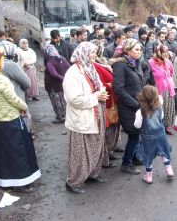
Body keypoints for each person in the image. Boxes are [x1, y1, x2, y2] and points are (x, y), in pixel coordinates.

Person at [0, 45, 40, 192]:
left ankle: (5, 180)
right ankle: (20, 182)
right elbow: (13, 98)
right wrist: (24, 107)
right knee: (17, 151)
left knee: (3, 151)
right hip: (10, 119)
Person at [63, 42, 108, 194]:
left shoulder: (90, 68)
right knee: (80, 152)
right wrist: (97, 96)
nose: (95, 55)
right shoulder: (73, 73)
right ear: (83, 54)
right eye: (92, 53)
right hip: (81, 118)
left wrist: (101, 92)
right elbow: (74, 99)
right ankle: (73, 182)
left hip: (95, 114)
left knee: (96, 145)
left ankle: (92, 174)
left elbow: (100, 85)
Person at [112, 39, 145, 175]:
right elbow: (118, 89)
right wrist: (135, 103)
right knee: (134, 135)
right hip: (128, 107)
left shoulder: (133, 63)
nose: (139, 52)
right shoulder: (121, 65)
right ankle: (126, 163)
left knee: (138, 134)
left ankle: (135, 157)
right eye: (137, 49)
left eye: (140, 49)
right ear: (128, 50)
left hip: (137, 105)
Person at [134, 85, 173, 184]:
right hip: (160, 134)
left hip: (148, 137)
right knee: (164, 152)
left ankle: (148, 176)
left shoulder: (140, 112)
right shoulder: (159, 109)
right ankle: (169, 169)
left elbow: (137, 125)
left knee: (148, 156)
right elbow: (161, 118)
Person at [149, 45, 175, 135]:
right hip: (158, 90)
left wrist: (169, 81)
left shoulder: (167, 61)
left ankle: (166, 126)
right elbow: (149, 75)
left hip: (169, 88)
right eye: (164, 52)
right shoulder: (151, 62)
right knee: (159, 109)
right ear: (158, 52)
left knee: (168, 108)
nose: (166, 54)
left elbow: (172, 72)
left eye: (166, 52)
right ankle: (158, 127)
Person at [44, 44, 70, 124]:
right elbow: (69, 67)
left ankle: (60, 117)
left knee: (56, 101)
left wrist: (63, 79)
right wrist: (66, 78)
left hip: (53, 86)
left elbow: (54, 74)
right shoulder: (62, 58)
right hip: (62, 85)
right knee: (63, 100)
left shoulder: (50, 62)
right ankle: (66, 116)